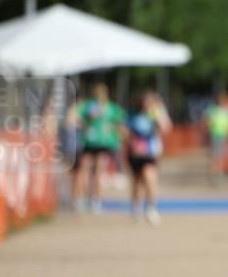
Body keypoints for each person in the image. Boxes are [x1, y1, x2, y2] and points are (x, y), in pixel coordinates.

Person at [74, 83, 126, 212]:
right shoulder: (91, 106)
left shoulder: (110, 108)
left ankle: (93, 200)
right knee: (88, 171)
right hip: (92, 142)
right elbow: (77, 118)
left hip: (102, 143)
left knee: (95, 171)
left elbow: (120, 124)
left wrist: (118, 135)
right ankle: (85, 200)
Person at [126, 91, 172, 224]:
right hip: (135, 153)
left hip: (150, 153)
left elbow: (165, 128)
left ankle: (151, 208)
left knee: (150, 177)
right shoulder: (133, 115)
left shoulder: (156, 115)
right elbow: (125, 131)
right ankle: (136, 208)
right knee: (137, 182)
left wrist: (158, 114)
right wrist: (132, 141)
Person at [204, 92, 228, 182]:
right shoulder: (219, 111)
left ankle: (217, 174)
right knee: (217, 156)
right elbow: (209, 123)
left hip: (222, 136)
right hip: (217, 136)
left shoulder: (221, 111)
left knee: (219, 156)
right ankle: (215, 175)